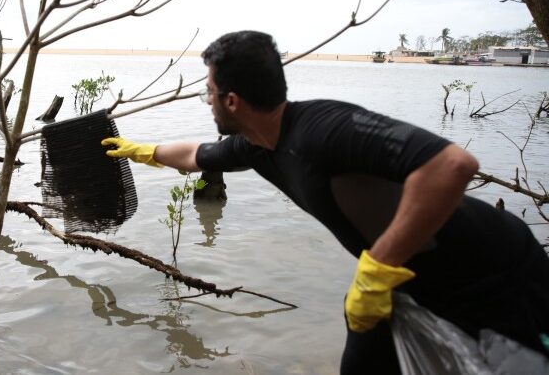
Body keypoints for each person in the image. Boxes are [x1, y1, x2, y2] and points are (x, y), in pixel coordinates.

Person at [101, 30, 549, 374]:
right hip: (407, 282)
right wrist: (141, 151)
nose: (207, 100)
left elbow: (451, 165)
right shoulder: (256, 145)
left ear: (232, 101)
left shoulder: (325, 128)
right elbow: (195, 155)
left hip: (491, 274)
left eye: (209, 92)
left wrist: (377, 268)